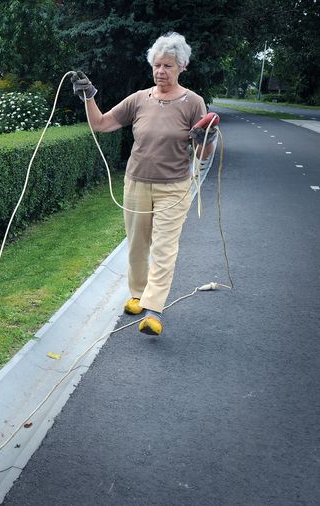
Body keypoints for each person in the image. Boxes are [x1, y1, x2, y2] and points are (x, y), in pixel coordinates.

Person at [71, 32, 217, 336]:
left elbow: (202, 153)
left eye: (168, 66)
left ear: (182, 67)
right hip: (136, 183)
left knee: (164, 248)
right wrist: (89, 97)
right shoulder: (139, 99)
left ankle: (153, 311)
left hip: (174, 188)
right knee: (137, 245)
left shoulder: (193, 102)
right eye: (157, 65)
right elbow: (101, 124)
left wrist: (207, 139)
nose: (161, 71)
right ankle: (137, 294)